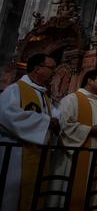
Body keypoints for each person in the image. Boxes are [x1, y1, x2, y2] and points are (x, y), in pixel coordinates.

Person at [51, 69, 97, 209]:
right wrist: (90, 129)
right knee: (67, 193)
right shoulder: (71, 99)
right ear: (89, 81)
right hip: (72, 156)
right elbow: (63, 126)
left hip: (94, 156)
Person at [0, 53, 60, 211]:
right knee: (13, 199)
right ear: (38, 69)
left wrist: (56, 121)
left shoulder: (42, 94)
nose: (54, 71)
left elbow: (55, 115)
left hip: (38, 154)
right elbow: (6, 116)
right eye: (52, 68)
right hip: (17, 155)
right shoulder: (15, 89)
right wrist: (47, 121)